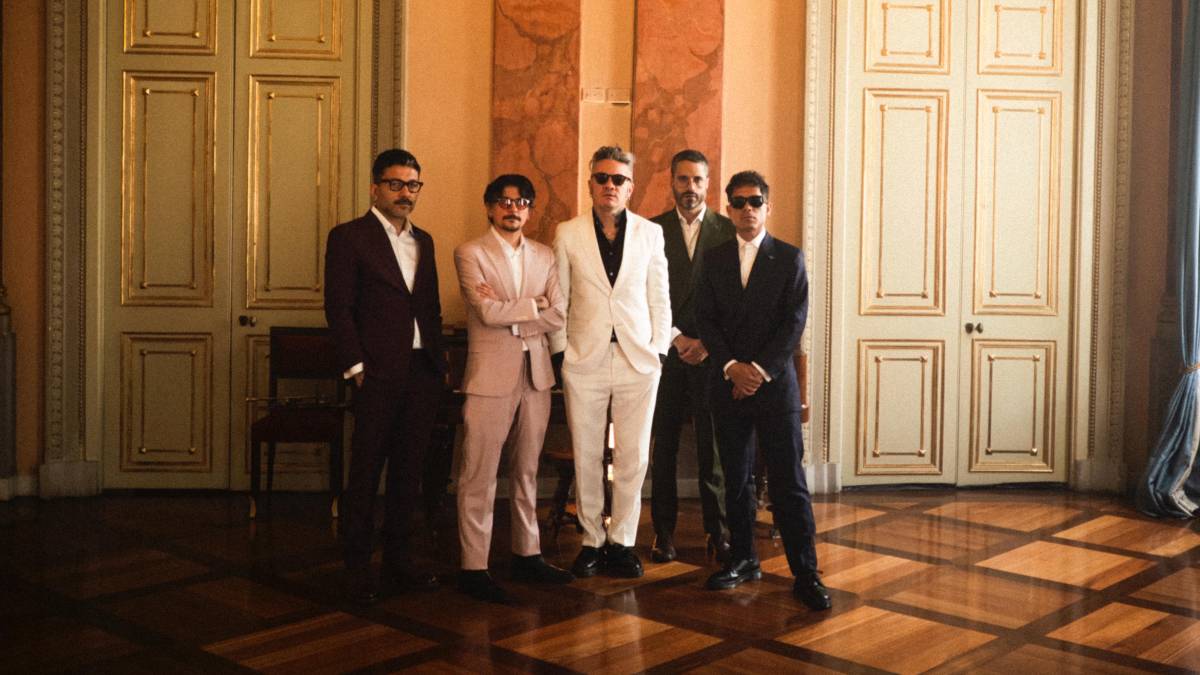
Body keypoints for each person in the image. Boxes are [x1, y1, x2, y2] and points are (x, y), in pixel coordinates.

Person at [695, 170, 831, 611]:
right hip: (728, 385)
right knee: (735, 480)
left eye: (755, 202)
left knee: (789, 484)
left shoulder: (789, 258)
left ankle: (806, 573)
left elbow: (794, 323)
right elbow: (705, 319)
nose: (747, 209)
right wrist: (732, 368)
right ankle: (742, 560)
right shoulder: (713, 258)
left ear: (767, 207)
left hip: (774, 389)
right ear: (729, 209)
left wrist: (756, 372)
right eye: (738, 203)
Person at [324, 149, 445, 605]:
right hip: (375, 373)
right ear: (375, 188)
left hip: (421, 372)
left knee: (408, 472)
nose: (405, 193)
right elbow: (339, 308)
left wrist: (437, 364)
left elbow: (429, 307)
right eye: (396, 184)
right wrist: (356, 368)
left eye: (412, 185)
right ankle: (356, 568)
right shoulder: (349, 237)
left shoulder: (424, 241)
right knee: (366, 470)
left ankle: (399, 560)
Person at [549, 146, 671, 579]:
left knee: (633, 456)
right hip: (585, 359)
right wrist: (560, 352)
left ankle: (622, 542)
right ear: (590, 184)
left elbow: (660, 298)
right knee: (586, 454)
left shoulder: (651, 234)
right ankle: (591, 542)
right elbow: (558, 298)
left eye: (618, 179)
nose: (609, 185)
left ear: (630, 187)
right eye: (602, 178)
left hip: (639, 360)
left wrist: (659, 351)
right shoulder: (567, 233)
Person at [452, 174, 574, 603]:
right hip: (489, 376)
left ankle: (527, 554)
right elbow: (485, 312)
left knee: (526, 471)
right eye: (504, 201)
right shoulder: (470, 252)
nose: (513, 208)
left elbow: (559, 313)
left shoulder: (544, 255)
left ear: (529, 210)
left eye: (521, 202)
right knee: (478, 473)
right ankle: (473, 566)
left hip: (536, 376)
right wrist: (533, 305)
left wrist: (517, 313)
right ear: (489, 207)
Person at [648, 150, 734, 563]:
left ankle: (718, 532)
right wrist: (677, 338)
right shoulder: (651, 230)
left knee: (712, 448)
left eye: (697, 180)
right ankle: (662, 533)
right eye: (683, 179)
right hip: (667, 354)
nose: (690, 188)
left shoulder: (728, 229)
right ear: (672, 182)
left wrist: (707, 344)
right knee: (662, 446)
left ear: (708, 183)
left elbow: (736, 298)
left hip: (712, 356)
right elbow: (642, 293)